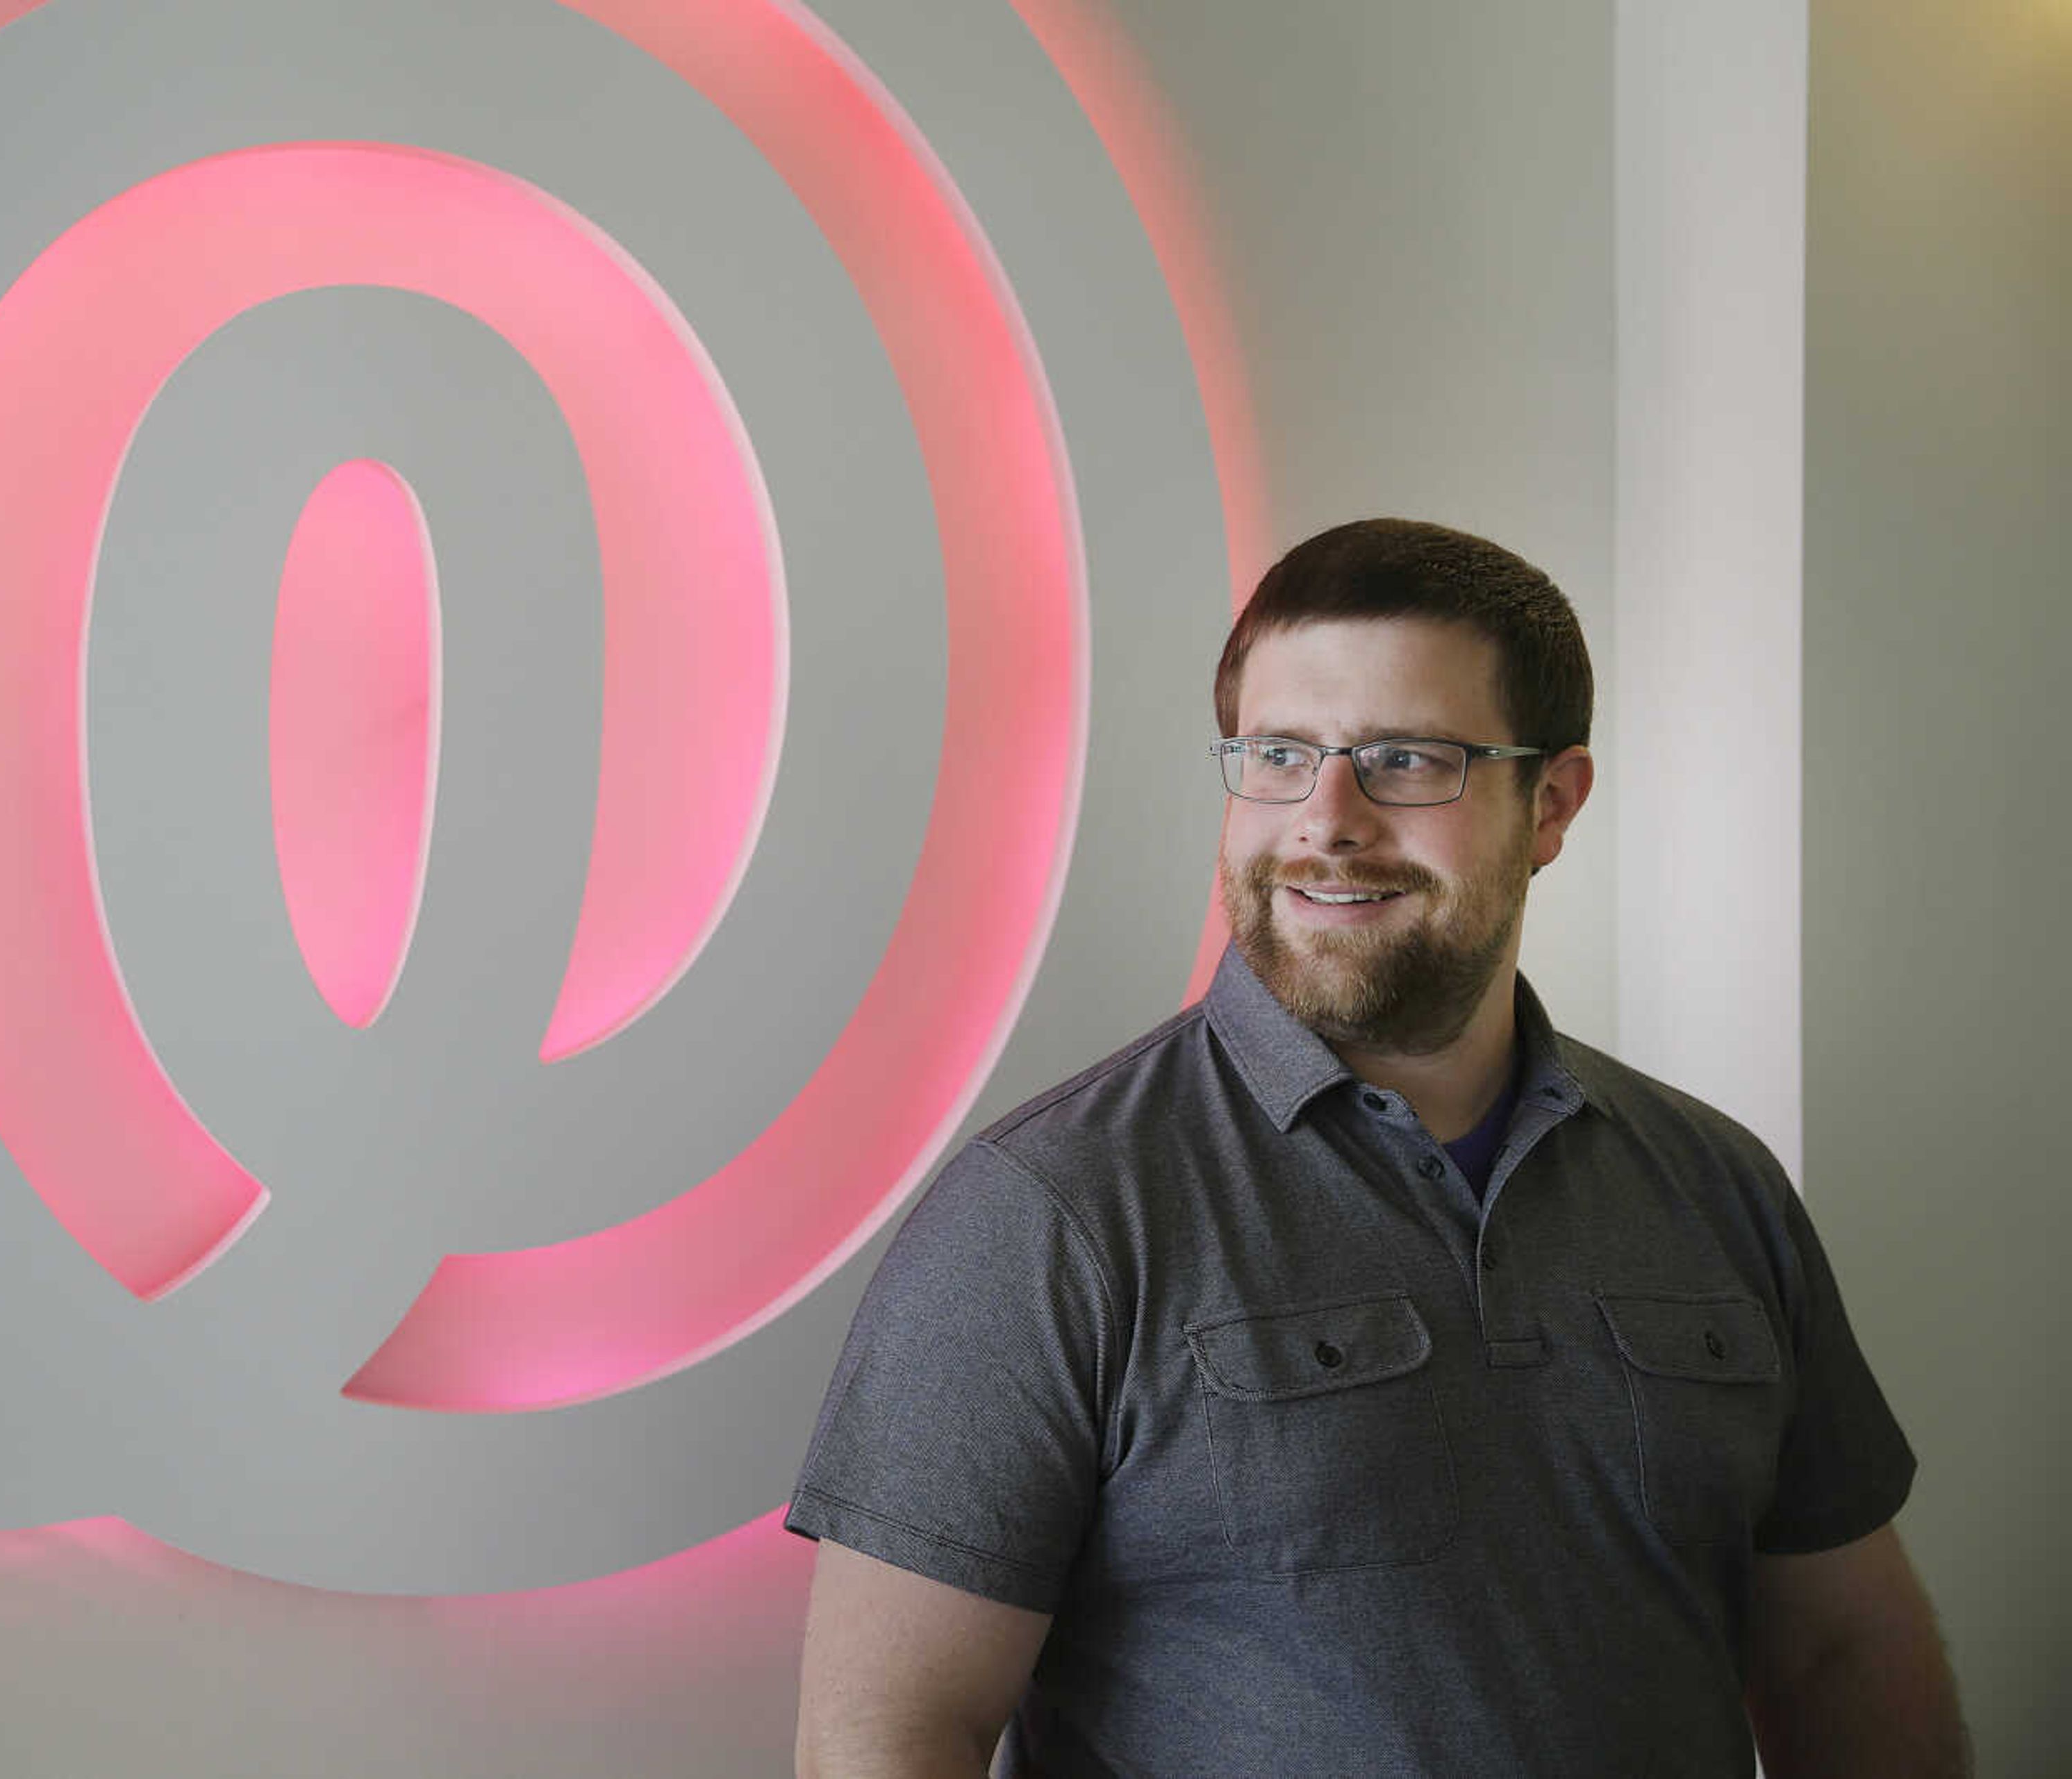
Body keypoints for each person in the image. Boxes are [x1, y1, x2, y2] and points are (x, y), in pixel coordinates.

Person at [785, 519, 1968, 1778]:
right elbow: (890, 1739)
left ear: (1553, 802)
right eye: (1280, 754)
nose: (1326, 820)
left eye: (1406, 759)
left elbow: (1841, 1654)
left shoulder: (1719, 1187)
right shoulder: (1049, 1214)